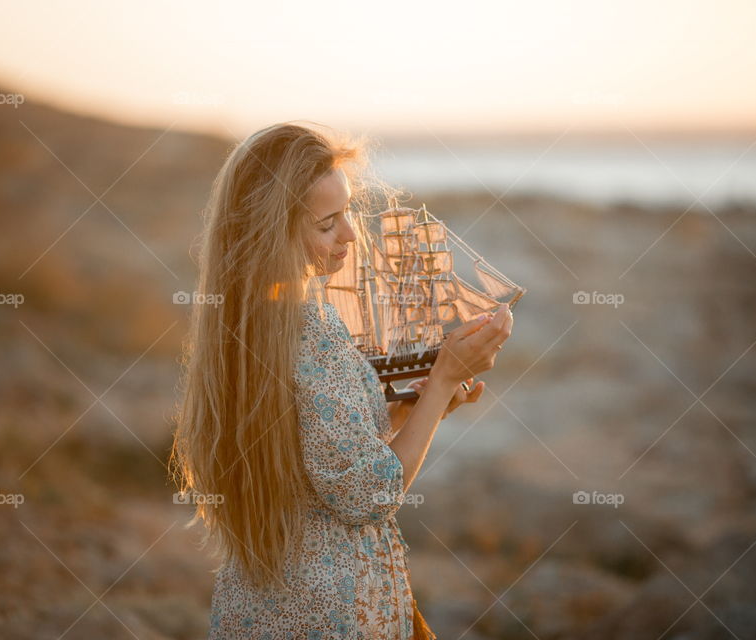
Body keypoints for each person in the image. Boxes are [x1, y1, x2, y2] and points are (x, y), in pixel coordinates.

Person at [170, 121, 513, 639]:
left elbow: (319, 456)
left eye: (347, 212)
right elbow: (369, 493)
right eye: (328, 223)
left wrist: (415, 412)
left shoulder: (237, 324)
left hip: (258, 606)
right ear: (273, 234)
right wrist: (443, 379)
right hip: (335, 611)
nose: (351, 234)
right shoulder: (313, 328)